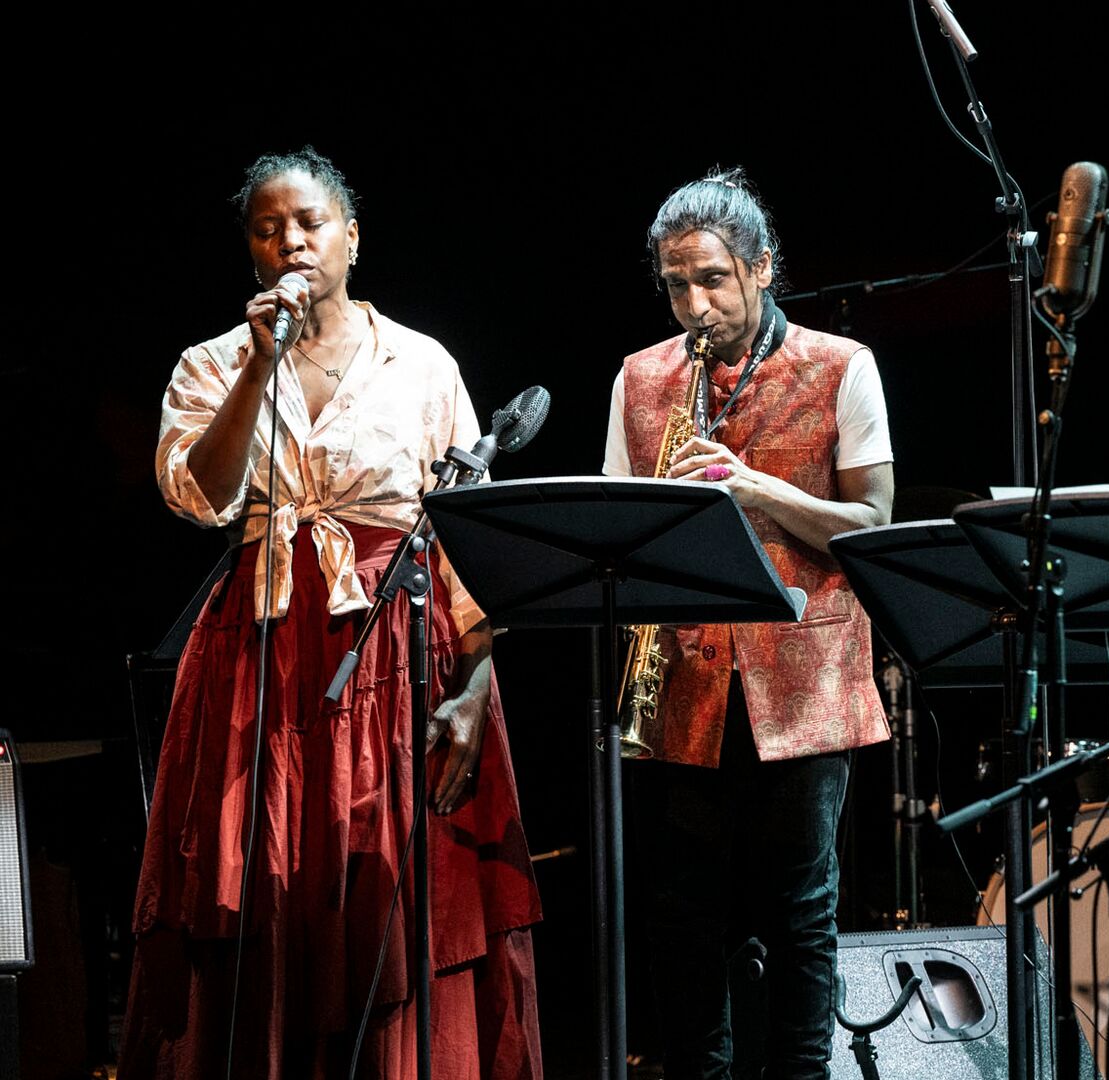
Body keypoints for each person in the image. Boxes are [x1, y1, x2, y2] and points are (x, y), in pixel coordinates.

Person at [125, 149, 543, 1078]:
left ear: (351, 237)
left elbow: (466, 536)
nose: (291, 241)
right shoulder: (211, 365)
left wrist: (476, 687)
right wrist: (257, 366)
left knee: (395, 893)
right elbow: (201, 493)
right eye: (268, 229)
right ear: (251, 253)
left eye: (310, 222)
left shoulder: (423, 363)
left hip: (398, 642)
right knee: (260, 887)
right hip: (261, 652)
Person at [603, 167, 894, 1079]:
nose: (694, 304)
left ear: (763, 267)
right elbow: (616, 526)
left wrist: (754, 485)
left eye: (713, 280)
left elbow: (875, 526)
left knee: (802, 910)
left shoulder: (842, 365)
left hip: (804, 682)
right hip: (682, 678)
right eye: (677, 284)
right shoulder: (641, 377)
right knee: (679, 912)